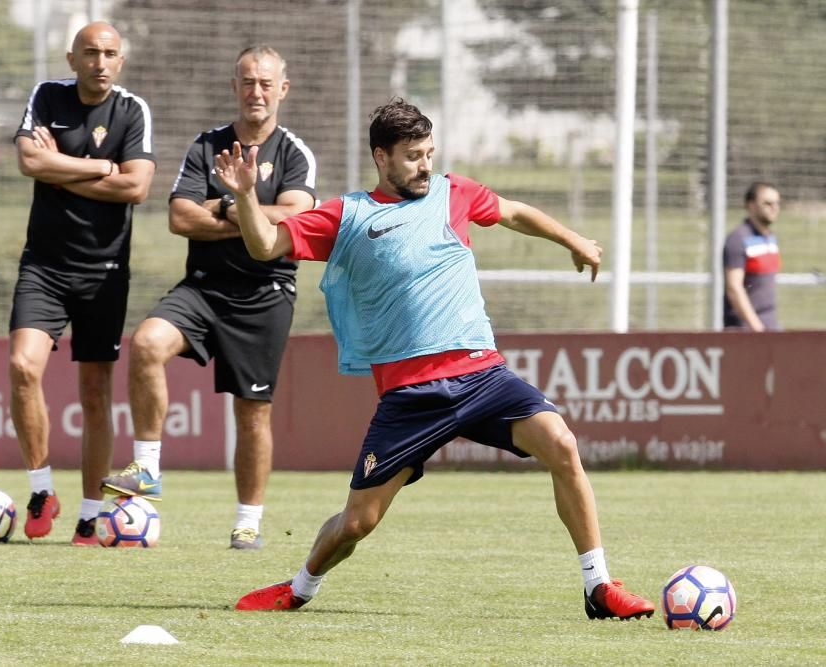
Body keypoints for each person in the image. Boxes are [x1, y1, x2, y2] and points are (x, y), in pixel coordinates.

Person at [215, 98, 655, 619]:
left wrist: (574, 240)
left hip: (482, 375)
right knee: (358, 523)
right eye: (412, 156)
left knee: (561, 443)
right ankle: (301, 587)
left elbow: (513, 212)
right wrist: (245, 196)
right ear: (381, 157)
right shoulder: (349, 215)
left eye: (429, 153)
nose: (425, 165)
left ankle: (597, 587)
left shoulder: (454, 192)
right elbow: (265, 245)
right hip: (411, 397)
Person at [100, 46, 317, 550]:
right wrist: (246, 211)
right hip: (202, 286)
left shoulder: (294, 153)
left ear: (283, 89)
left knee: (252, 412)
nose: (255, 92)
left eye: (265, 83)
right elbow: (179, 217)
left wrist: (222, 206)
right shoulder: (207, 146)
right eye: (246, 82)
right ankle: (148, 468)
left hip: (266, 293)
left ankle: (247, 521)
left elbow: (297, 219)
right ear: (234, 86)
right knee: (148, 343)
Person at [9, 22, 156, 545]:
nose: (100, 61)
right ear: (72, 58)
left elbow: (137, 186)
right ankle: (41, 489)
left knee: (95, 392)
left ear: (120, 61)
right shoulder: (47, 96)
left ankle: (91, 516)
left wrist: (59, 167)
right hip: (44, 266)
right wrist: (98, 167)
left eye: (109, 53)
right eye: (90, 52)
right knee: (23, 367)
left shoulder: (132, 110)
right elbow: (28, 160)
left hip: (104, 271)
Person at [723, 182, 782, 331]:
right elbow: (734, 287)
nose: (774, 208)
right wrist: (755, 326)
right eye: (767, 203)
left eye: (777, 203)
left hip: (770, 324)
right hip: (745, 329)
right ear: (751, 205)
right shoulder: (738, 238)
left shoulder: (770, 238)